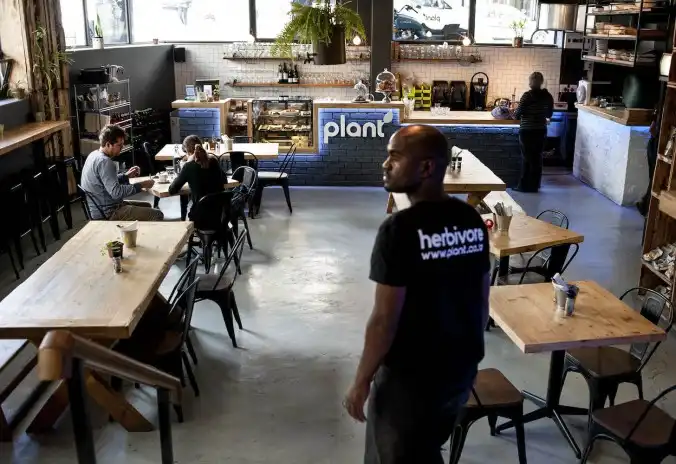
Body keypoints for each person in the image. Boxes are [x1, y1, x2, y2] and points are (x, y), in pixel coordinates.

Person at [344, 125, 491, 463]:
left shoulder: (399, 230)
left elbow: (384, 321)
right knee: (425, 448)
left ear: (426, 167)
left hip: (410, 381)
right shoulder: (470, 219)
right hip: (459, 371)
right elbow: (482, 302)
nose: (385, 164)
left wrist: (361, 381)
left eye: (395, 157)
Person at [81, 124, 164, 221]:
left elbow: (105, 182)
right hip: (108, 212)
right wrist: (141, 185)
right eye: (119, 145)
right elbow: (116, 193)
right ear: (108, 144)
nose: (122, 148)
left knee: (148, 206)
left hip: (101, 208)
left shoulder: (93, 155)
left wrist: (125, 176)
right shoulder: (105, 162)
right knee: (157, 214)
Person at [512, 72, 554, 193]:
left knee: (527, 159)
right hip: (541, 131)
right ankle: (535, 186)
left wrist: (513, 112)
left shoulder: (527, 96)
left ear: (530, 82)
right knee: (537, 159)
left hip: (527, 131)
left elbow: (517, 115)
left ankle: (523, 186)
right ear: (541, 82)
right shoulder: (548, 96)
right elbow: (549, 114)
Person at [168, 138, 225, 219]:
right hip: (220, 214)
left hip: (200, 216)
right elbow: (224, 180)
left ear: (188, 152)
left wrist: (186, 165)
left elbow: (172, 190)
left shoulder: (188, 166)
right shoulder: (214, 161)